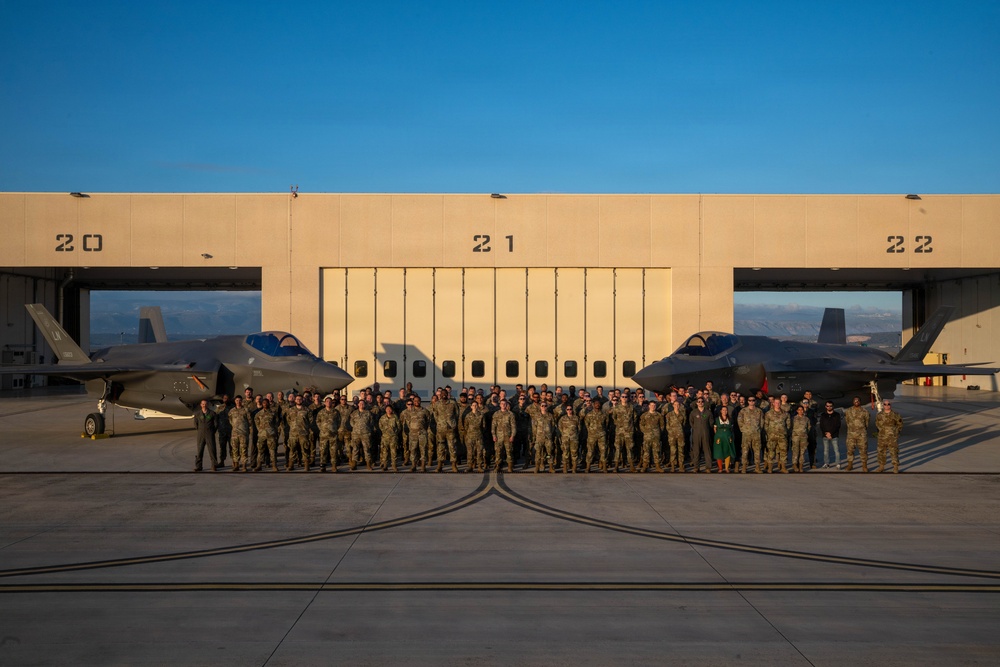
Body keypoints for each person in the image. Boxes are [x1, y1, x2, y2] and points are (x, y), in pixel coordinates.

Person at [875, 400, 903, 473]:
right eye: (885, 404)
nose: (887, 405)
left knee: (894, 451)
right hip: (882, 437)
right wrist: (881, 431)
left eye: (888, 404)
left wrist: (895, 432)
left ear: (890, 405)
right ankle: (881, 466)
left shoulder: (896, 415)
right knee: (881, 452)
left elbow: (900, 424)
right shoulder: (879, 415)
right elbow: (877, 424)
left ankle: (895, 467)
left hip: (892, 437)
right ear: (883, 405)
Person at [737, 396, 763, 473]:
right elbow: (739, 420)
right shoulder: (743, 411)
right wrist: (743, 429)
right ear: (748, 401)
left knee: (757, 450)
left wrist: (758, 430)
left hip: (756, 434)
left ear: (755, 401)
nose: (751, 401)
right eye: (750, 400)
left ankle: (757, 467)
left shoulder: (759, 411)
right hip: (746, 434)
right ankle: (744, 467)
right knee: (745, 450)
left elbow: (762, 422)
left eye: (753, 400)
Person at [763, 397, 790, 473]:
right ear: (773, 403)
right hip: (772, 436)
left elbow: (788, 425)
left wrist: (785, 432)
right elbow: (766, 425)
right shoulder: (768, 414)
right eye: (776, 403)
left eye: (779, 403)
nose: (777, 404)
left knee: (783, 451)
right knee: (771, 451)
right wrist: (769, 433)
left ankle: (783, 467)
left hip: (782, 436)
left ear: (780, 404)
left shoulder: (785, 414)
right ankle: (770, 468)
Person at [316, 396, 342, 472]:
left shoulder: (336, 412)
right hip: (323, 435)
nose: (328, 403)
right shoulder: (321, 412)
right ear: (324, 403)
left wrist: (334, 429)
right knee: (323, 450)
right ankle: (323, 466)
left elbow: (339, 421)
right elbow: (318, 421)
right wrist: (322, 429)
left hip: (333, 435)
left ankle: (334, 466)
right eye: (327, 401)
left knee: (333, 451)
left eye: (330, 401)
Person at [844, 397, 871, 472]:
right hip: (851, 434)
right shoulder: (848, 411)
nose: (856, 402)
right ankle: (850, 465)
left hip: (861, 434)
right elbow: (847, 421)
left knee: (863, 450)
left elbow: (867, 423)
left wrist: (861, 429)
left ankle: (864, 466)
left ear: (860, 402)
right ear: (853, 402)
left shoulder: (865, 411)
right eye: (855, 401)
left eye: (858, 401)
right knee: (850, 450)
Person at [227, 396, 253, 472]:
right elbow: (230, 421)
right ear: (235, 401)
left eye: (240, 400)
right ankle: (236, 465)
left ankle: (244, 465)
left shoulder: (246, 410)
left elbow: (250, 421)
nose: (238, 402)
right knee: (235, 449)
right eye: (237, 400)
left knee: (244, 449)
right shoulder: (231, 411)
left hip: (243, 433)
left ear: (242, 401)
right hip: (234, 433)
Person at [688, 398, 714, 473]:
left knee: (707, 450)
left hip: (706, 433)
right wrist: (696, 428)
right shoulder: (693, 412)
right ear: (696, 403)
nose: (700, 403)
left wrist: (706, 429)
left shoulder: (708, 412)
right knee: (696, 451)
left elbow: (711, 423)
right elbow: (691, 422)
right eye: (699, 402)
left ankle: (708, 467)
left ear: (704, 403)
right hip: (696, 433)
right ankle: (696, 467)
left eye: (702, 401)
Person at [638, 401, 665, 473]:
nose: (653, 407)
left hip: (656, 436)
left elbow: (662, 426)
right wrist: (645, 431)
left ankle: (657, 466)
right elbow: (641, 425)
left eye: (654, 405)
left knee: (656, 451)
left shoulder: (659, 415)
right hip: (647, 436)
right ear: (649, 406)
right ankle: (645, 466)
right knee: (646, 451)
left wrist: (658, 432)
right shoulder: (644, 415)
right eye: (651, 405)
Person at [193, 398, 218, 472]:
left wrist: (212, 431)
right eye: (203, 404)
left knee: (212, 450)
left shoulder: (212, 413)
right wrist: (200, 429)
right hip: (200, 434)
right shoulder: (197, 414)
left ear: (208, 405)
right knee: (199, 450)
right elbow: (195, 424)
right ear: (201, 405)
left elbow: (216, 424)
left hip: (209, 433)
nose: (204, 405)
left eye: (206, 404)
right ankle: (199, 466)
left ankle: (214, 465)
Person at [491, 400, 517, 472]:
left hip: (508, 436)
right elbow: (493, 426)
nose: (503, 405)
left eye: (504, 404)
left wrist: (512, 436)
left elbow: (513, 426)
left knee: (509, 451)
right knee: (498, 452)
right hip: (499, 436)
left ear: (506, 405)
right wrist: (494, 435)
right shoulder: (496, 414)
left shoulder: (510, 414)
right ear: (500, 405)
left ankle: (510, 466)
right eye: (502, 403)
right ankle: (498, 466)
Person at [463, 401, 487, 472]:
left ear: (478, 406)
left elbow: (484, 426)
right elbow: (466, 426)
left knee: (479, 451)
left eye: (476, 405)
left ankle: (479, 466)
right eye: (473, 405)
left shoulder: (481, 415)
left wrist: (480, 432)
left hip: (479, 436)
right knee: (470, 452)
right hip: (470, 436)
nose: (475, 406)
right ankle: (470, 466)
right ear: (471, 407)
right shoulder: (468, 416)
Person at [532, 402, 556, 473]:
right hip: (539, 437)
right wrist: (535, 436)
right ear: (540, 407)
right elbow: (534, 427)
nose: (544, 407)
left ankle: (550, 467)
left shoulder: (550, 416)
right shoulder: (537, 416)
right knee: (538, 453)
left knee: (549, 453)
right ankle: (537, 467)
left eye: (545, 406)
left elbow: (553, 426)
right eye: (542, 406)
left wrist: (550, 434)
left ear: (547, 407)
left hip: (548, 438)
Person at [378, 404, 403, 472]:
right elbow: (380, 426)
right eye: (387, 409)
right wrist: (385, 432)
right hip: (385, 438)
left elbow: (399, 426)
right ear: (385, 410)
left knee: (393, 452)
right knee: (385, 452)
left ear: (392, 410)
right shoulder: (382, 418)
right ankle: (385, 465)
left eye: (390, 409)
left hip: (393, 437)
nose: (388, 410)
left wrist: (394, 433)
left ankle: (394, 465)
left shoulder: (395, 417)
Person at [557, 405, 581, 473]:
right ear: (566, 410)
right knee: (565, 453)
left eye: (570, 409)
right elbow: (560, 427)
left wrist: (575, 435)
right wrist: (564, 434)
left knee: (574, 453)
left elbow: (579, 428)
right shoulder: (562, 418)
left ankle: (574, 468)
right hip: (565, 438)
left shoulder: (576, 418)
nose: (569, 410)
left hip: (574, 438)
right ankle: (565, 467)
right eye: (568, 409)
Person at [819, 401, 843, 469]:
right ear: (825, 407)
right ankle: (826, 463)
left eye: (830, 406)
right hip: (825, 435)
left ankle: (838, 463)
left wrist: (831, 433)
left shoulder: (837, 415)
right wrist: (826, 433)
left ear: (833, 406)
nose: (829, 407)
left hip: (834, 435)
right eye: (828, 406)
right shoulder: (823, 415)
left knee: (836, 450)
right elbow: (821, 425)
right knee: (826, 451)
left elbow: (837, 425)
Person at [664, 399, 686, 472]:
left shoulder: (682, 414)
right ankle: (673, 466)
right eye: (675, 405)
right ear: (673, 405)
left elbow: (684, 424)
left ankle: (681, 466)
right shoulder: (669, 414)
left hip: (680, 435)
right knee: (673, 451)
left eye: (678, 405)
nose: (676, 406)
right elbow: (667, 425)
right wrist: (670, 432)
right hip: (672, 435)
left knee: (681, 450)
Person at [712, 406, 736, 473]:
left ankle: (726, 468)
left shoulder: (730, 419)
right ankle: (720, 468)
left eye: (726, 410)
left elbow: (731, 429)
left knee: (727, 451)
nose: (724, 411)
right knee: (719, 452)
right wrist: (718, 435)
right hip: (719, 437)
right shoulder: (717, 419)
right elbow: (715, 429)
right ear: (721, 411)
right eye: (723, 410)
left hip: (728, 437)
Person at [790, 405, 811, 473]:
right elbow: (790, 427)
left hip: (803, 437)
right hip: (795, 437)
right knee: (795, 451)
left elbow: (808, 427)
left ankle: (801, 465)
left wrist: (805, 434)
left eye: (802, 410)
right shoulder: (793, 418)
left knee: (802, 452)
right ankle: (795, 465)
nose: (800, 411)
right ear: (797, 411)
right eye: (799, 410)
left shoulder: (806, 419)